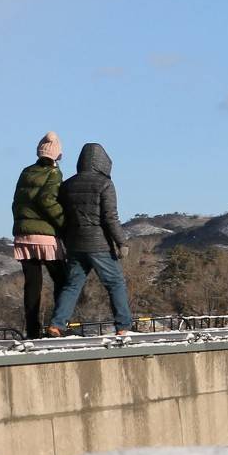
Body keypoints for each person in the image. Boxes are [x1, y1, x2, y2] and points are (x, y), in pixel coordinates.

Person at [47, 142, 135, 337]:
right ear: (103, 162)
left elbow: (62, 216)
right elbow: (110, 217)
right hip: (99, 244)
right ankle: (123, 326)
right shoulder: (105, 184)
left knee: (72, 285)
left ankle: (57, 323)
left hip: (74, 243)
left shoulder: (67, 185)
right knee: (115, 283)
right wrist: (122, 242)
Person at [11, 132, 68, 340]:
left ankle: (32, 331)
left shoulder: (26, 172)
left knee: (32, 285)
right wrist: (64, 224)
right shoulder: (54, 174)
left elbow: (17, 203)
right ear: (57, 155)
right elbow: (48, 201)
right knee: (63, 280)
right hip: (45, 237)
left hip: (23, 236)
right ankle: (57, 325)